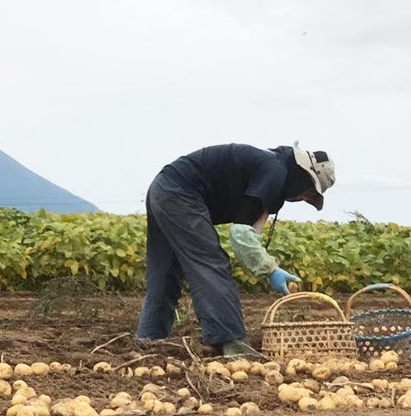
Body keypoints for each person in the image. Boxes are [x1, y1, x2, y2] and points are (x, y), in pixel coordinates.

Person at [135, 142, 335, 357]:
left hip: (163, 188)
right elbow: (240, 234)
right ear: (303, 175)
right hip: (180, 192)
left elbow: (251, 233)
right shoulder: (274, 171)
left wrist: (267, 266)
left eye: (308, 198)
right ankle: (232, 343)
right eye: (307, 191)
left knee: (165, 272)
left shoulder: (272, 174)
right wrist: (270, 270)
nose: (301, 198)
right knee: (210, 263)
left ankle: (149, 340)